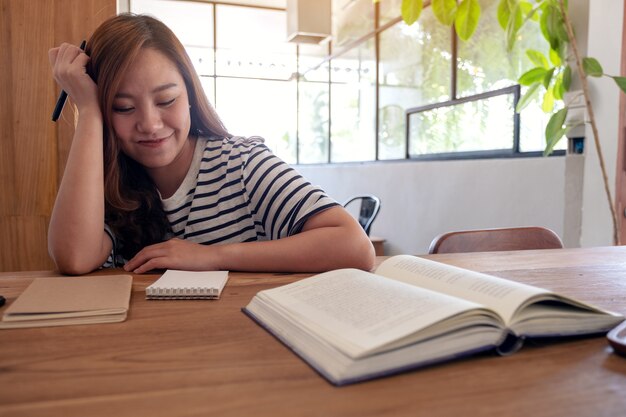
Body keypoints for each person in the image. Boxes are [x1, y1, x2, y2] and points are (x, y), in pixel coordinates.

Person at [47, 13, 375, 275]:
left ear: (190, 96)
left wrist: (212, 257)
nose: (149, 124)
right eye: (123, 107)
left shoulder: (241, 162)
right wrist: (88, 110)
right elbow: (74, 259)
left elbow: (354, 247)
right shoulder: (107, 182)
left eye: (166, 100)